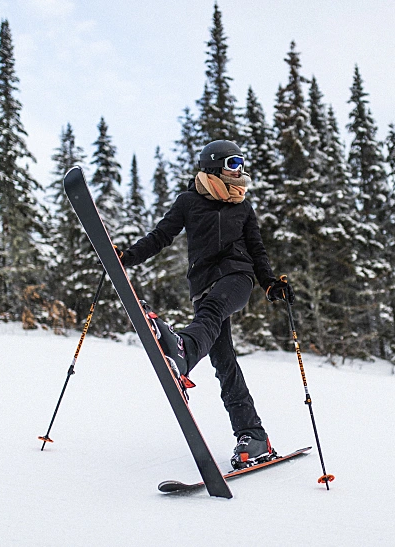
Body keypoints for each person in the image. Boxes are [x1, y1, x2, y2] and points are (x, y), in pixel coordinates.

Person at [118, 139, 294, 469]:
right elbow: (161, 236)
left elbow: (257, 250)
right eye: (233, 163)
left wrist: (270, 283)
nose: (239, 170)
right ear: (213, 165)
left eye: (241, 163)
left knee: (211, 315)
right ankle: (254, 436)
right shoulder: (189, 201)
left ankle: (182, 350)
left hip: (237, 279)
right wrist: (127, 258)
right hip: (203, 287)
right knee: (225, 362)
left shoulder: (242, 206)